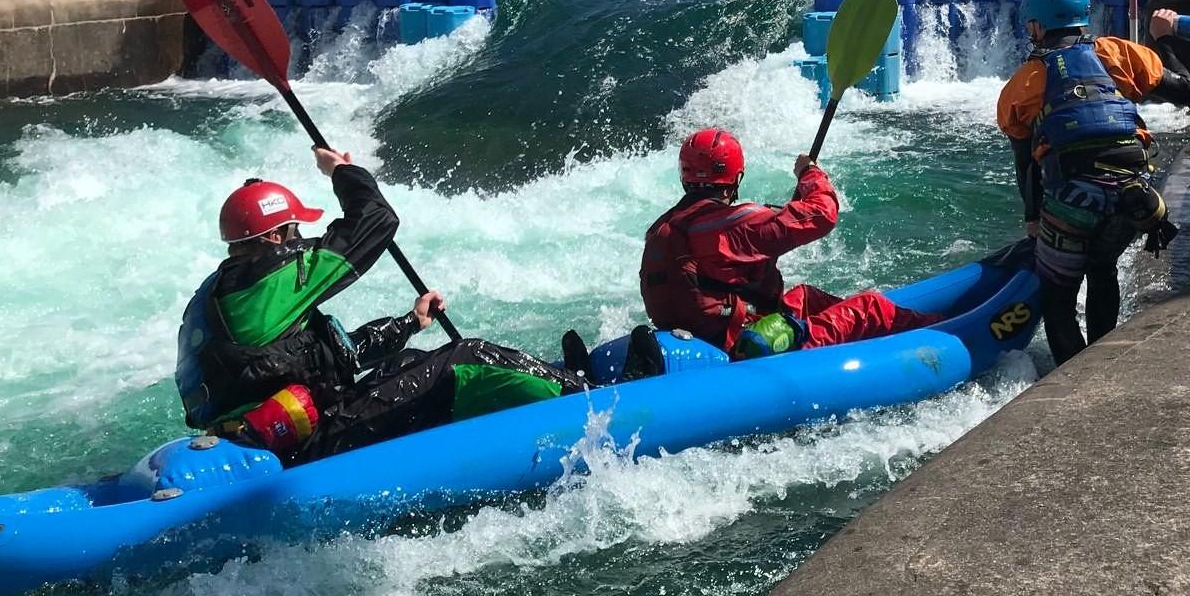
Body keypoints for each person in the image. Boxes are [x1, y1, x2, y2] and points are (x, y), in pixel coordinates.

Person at [176, 148, 654, 463]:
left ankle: (556, 382)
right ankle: (598, 400)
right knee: (467, 355)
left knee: (409, 362)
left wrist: (410, 322)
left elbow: (323, 356)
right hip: (309, 444)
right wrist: (343, 171)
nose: (301, 242)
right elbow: (376, 221)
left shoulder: (214, 297)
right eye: (295, 233)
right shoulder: (267, 279)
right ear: (275, 237)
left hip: (274, 436)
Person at [996, 0, 1189, 367]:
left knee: (1058, 293)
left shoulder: (1023, 84)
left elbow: (1026, 162)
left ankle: (1071, 372)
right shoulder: (1120, 53)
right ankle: (1104, 365)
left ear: (1036, 26)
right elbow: (1184, 86)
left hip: (1072, 200)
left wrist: (1033, 219)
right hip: (1134, 194)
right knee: (1103, 268)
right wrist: (1162, 38)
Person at [640, 129, 933, 359]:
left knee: (806, 297)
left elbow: (717, 273)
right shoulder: (737, 223)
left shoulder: (662, 228)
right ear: (735, 177)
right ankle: (941, 331)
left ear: (685, 176)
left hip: (704, 336)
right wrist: (810, 173)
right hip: (746, 346)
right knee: (871, 307)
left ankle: (865, 340)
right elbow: (822, 214)